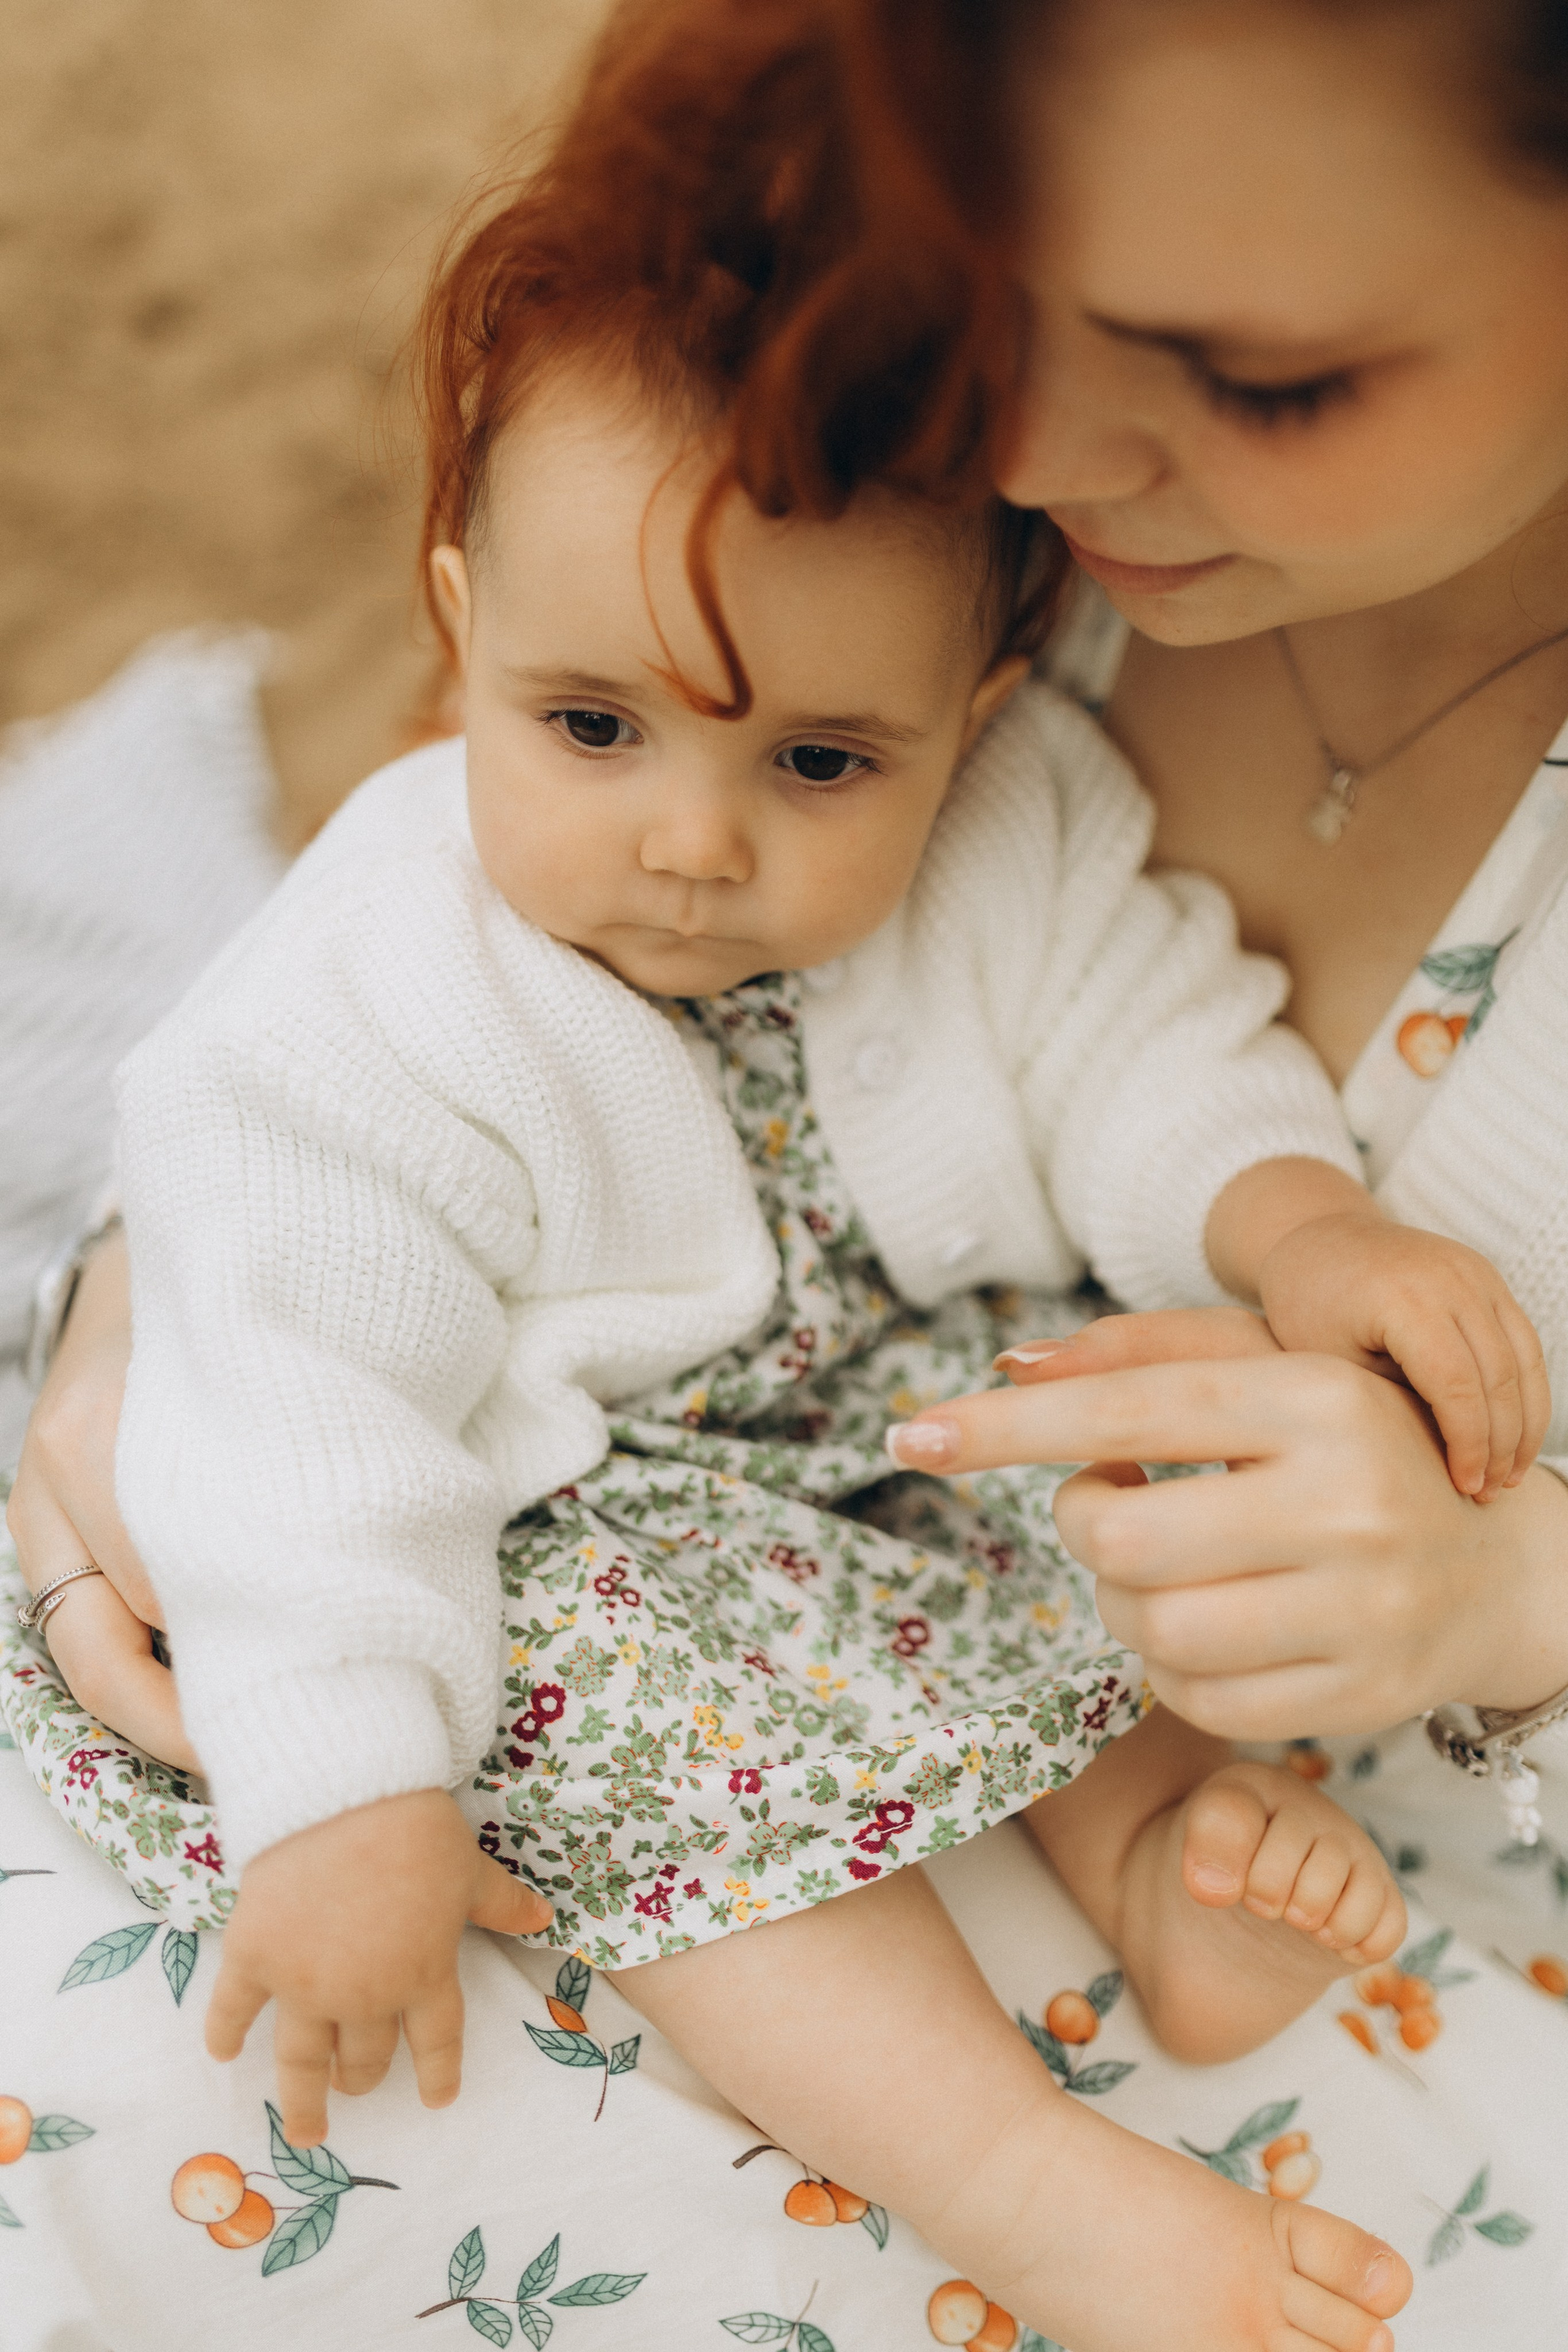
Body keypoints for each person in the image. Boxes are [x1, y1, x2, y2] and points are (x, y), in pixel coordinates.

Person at [7, 2, 1568, 2346]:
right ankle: (1030, 2162)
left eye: (1262, 378)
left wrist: (1479, 1525)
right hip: (558, 1553)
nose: (1031, 452)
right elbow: (321, 1209)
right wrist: (177, 1385)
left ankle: (1148, 1876)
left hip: (1000, 1543)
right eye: (1001, 305)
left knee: (1064, 1511)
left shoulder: (1005, 800)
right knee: (563, 1749)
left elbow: (1142, 1040)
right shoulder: (824, 460)